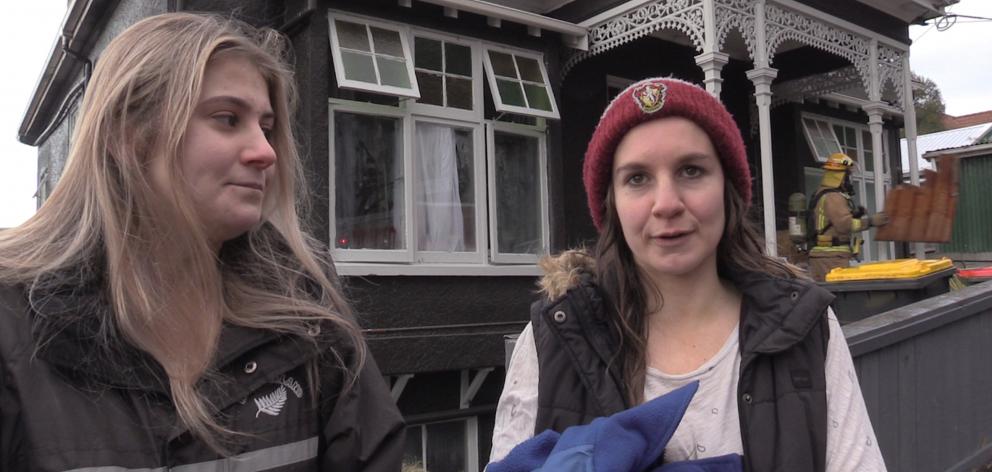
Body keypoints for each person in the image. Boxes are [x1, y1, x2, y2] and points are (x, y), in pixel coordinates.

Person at [0, 13, 403, 471]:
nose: (266, 151)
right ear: (127, 136)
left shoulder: (308, 307)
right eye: (228, 119)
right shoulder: (13, 320)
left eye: (266, 127)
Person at [489, 78, 885, 471]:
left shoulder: (806, 328)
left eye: (691, 171)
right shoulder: (555, 336)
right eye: (637, 178)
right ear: (612, 205)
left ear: (728, 189)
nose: (666, 204)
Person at [807, 153, 889, 281]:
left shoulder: (822, 194)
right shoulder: (834, 197)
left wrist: (855, 215)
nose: (849, 180)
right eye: (848, 176)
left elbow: (831, 222)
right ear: (840, 176)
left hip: (824, 256)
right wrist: (871, 221)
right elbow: (844, 225)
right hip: (831, 258)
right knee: (837, 295)